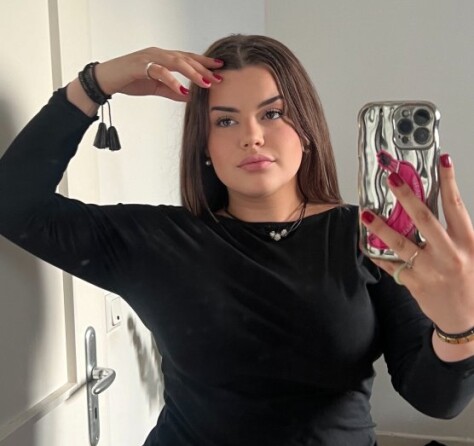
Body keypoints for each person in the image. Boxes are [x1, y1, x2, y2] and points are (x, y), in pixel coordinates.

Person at [0, 34, 473, 446]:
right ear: (204, 145)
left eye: (273, 114)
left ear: (306, 131)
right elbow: (14, 205)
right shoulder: (159, 242)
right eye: (225, 121)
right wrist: (95, 83)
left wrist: (459, 326)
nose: (252, 136)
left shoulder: (369, 236)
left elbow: (437, 400)